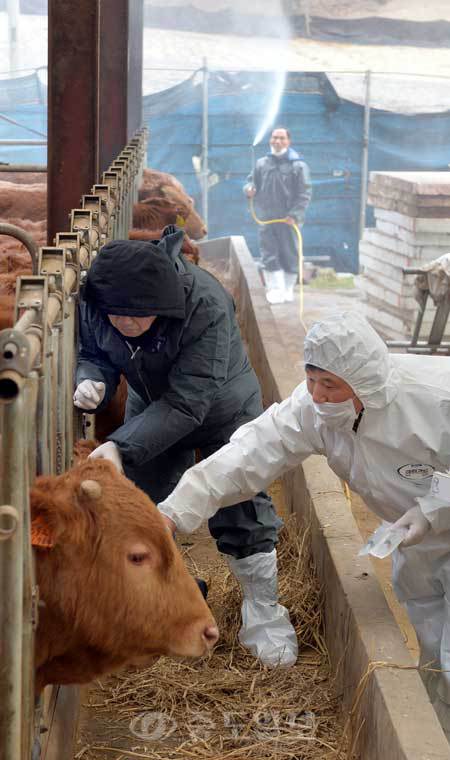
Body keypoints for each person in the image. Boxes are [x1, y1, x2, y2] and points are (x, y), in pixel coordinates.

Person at [157, 311, 450, 736]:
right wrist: (172, 511)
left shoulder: (433, 400)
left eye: (330, 384)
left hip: (427, 521)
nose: (317, 394)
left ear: (365, 380)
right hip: (417, 541)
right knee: (432, 650)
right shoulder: (314, 409)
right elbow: (249, 454)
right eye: (311, 378)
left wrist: (432, 510)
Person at [73, 227, 297, 667]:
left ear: (162, 302)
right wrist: (92, 376)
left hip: (222, 408)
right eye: (117, 316)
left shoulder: (205, 304)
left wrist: (121, 445)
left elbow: (190, 400)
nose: (127, 325)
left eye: (138, 317)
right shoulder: (98, 299)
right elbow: (98, 349)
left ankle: (263, 612)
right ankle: (163, 605)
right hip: (153, 401)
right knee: (143, 504)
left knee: (239, 499)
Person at [244, 126, 312, 305]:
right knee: (269, 254)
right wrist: (249, 189)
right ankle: (275, 290)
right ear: (270, 140)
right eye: (275, 138)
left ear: (288, 141)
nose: (277, 141)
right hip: (267, 219)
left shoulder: (298, 166)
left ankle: (288, 289)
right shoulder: (261, 163)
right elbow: (251, 181)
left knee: (289, 254)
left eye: (282, 138)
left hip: (289, 220)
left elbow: (304, 194)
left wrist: (295, 215)